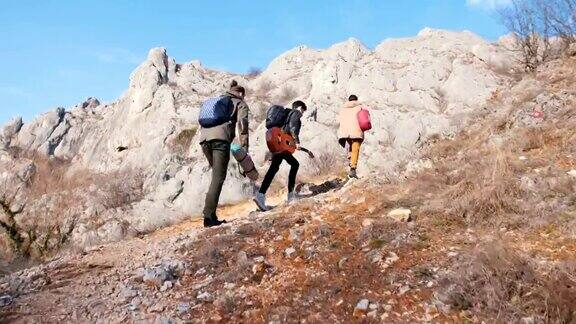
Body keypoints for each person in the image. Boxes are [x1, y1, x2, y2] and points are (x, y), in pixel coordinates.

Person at [198, 82, 250, 227]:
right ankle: (208, 218)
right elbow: (243, 124)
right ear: (241, 94)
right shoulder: (239, 103)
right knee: (218, 178)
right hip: (220, 141)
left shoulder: (218, 101)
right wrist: (244, 146)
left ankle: (211, 214)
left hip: (204, 140)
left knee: (216, 177)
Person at [254, 100, 309, 211]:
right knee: (295, 164)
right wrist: (297, 141)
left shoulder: (286, 115)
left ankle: (261, 194)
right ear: (300, 108)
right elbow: (293, 127)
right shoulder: (295, 113)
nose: (302, 114)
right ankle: (290, 195)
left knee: (274, 168)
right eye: (303, 111)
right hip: (282, 144)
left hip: (278, 141)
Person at [338, 95, 365, 179]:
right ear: (356, 100)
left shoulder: (343, 108)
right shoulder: (360, 107)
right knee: (355, 148)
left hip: (345, 133)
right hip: (356, 132)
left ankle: (351, 162)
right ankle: (353, 169)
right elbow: (365, 118)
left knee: (351, 148)